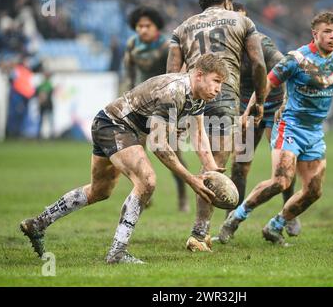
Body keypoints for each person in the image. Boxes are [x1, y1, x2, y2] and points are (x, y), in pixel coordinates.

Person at [217, 12, 333, 245]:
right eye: (327, 32)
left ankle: (275, 226)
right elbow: (266, 84)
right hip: (289, 126)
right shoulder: (296, 59)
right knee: (281, 181)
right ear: (315, 33)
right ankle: (235, 219)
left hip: (314, 132)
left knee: (314, 191)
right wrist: (251, 111)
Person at [20, 53, 228, 264]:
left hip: (114, 125)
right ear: (200, 75)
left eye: (221, 83)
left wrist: (212, 172)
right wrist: (191, 179)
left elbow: (199, 135)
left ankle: (38, 223)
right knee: (147, 181)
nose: (219, 89)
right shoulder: (174, 91)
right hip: (115, 125)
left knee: (99, 190)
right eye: (216, 81)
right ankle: (117, 252)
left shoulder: (198, 96)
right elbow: (158, 145)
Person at [167, 0, 267, 252]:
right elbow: (258, 64)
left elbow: (171, 73)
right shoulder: (242, 21)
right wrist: (261, 102)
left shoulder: (182, 28)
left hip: (190, 96)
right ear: (227, 2)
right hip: (223, 98)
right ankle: (199, 235)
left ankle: (202, 232)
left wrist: (175, 115)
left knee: (207, 162)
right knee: (215, 167)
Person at [224, 2, 300, 238]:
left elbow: (284, 67)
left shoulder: (261, 42)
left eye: (240, 18)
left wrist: (285, 103)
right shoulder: (224, 47)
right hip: (246, 110)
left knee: (283, 165)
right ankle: (232, 218)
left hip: (273, 107)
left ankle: (290, 214)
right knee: (240, 165)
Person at [125, 5, 190, 212]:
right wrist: (127, 100)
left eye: (147, 26)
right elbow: (129, 74)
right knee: (134, 154)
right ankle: (142, 192)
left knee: (173, 156)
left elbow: (176, 75)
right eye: (139, 26)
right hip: (140, 105)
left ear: (156, 28)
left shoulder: (167, 47)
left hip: (163, 105)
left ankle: (183, 198)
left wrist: (179, 112)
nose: (143, 29)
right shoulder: (132, 45)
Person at [36, 71, 55, 139]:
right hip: (46, 105)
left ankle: (41, 135)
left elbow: (39, 94)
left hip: (46, 105)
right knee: (47, 121)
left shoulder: (43, 85)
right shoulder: (47, 85)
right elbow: (43, 94)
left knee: (45, 121)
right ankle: (49, 136)